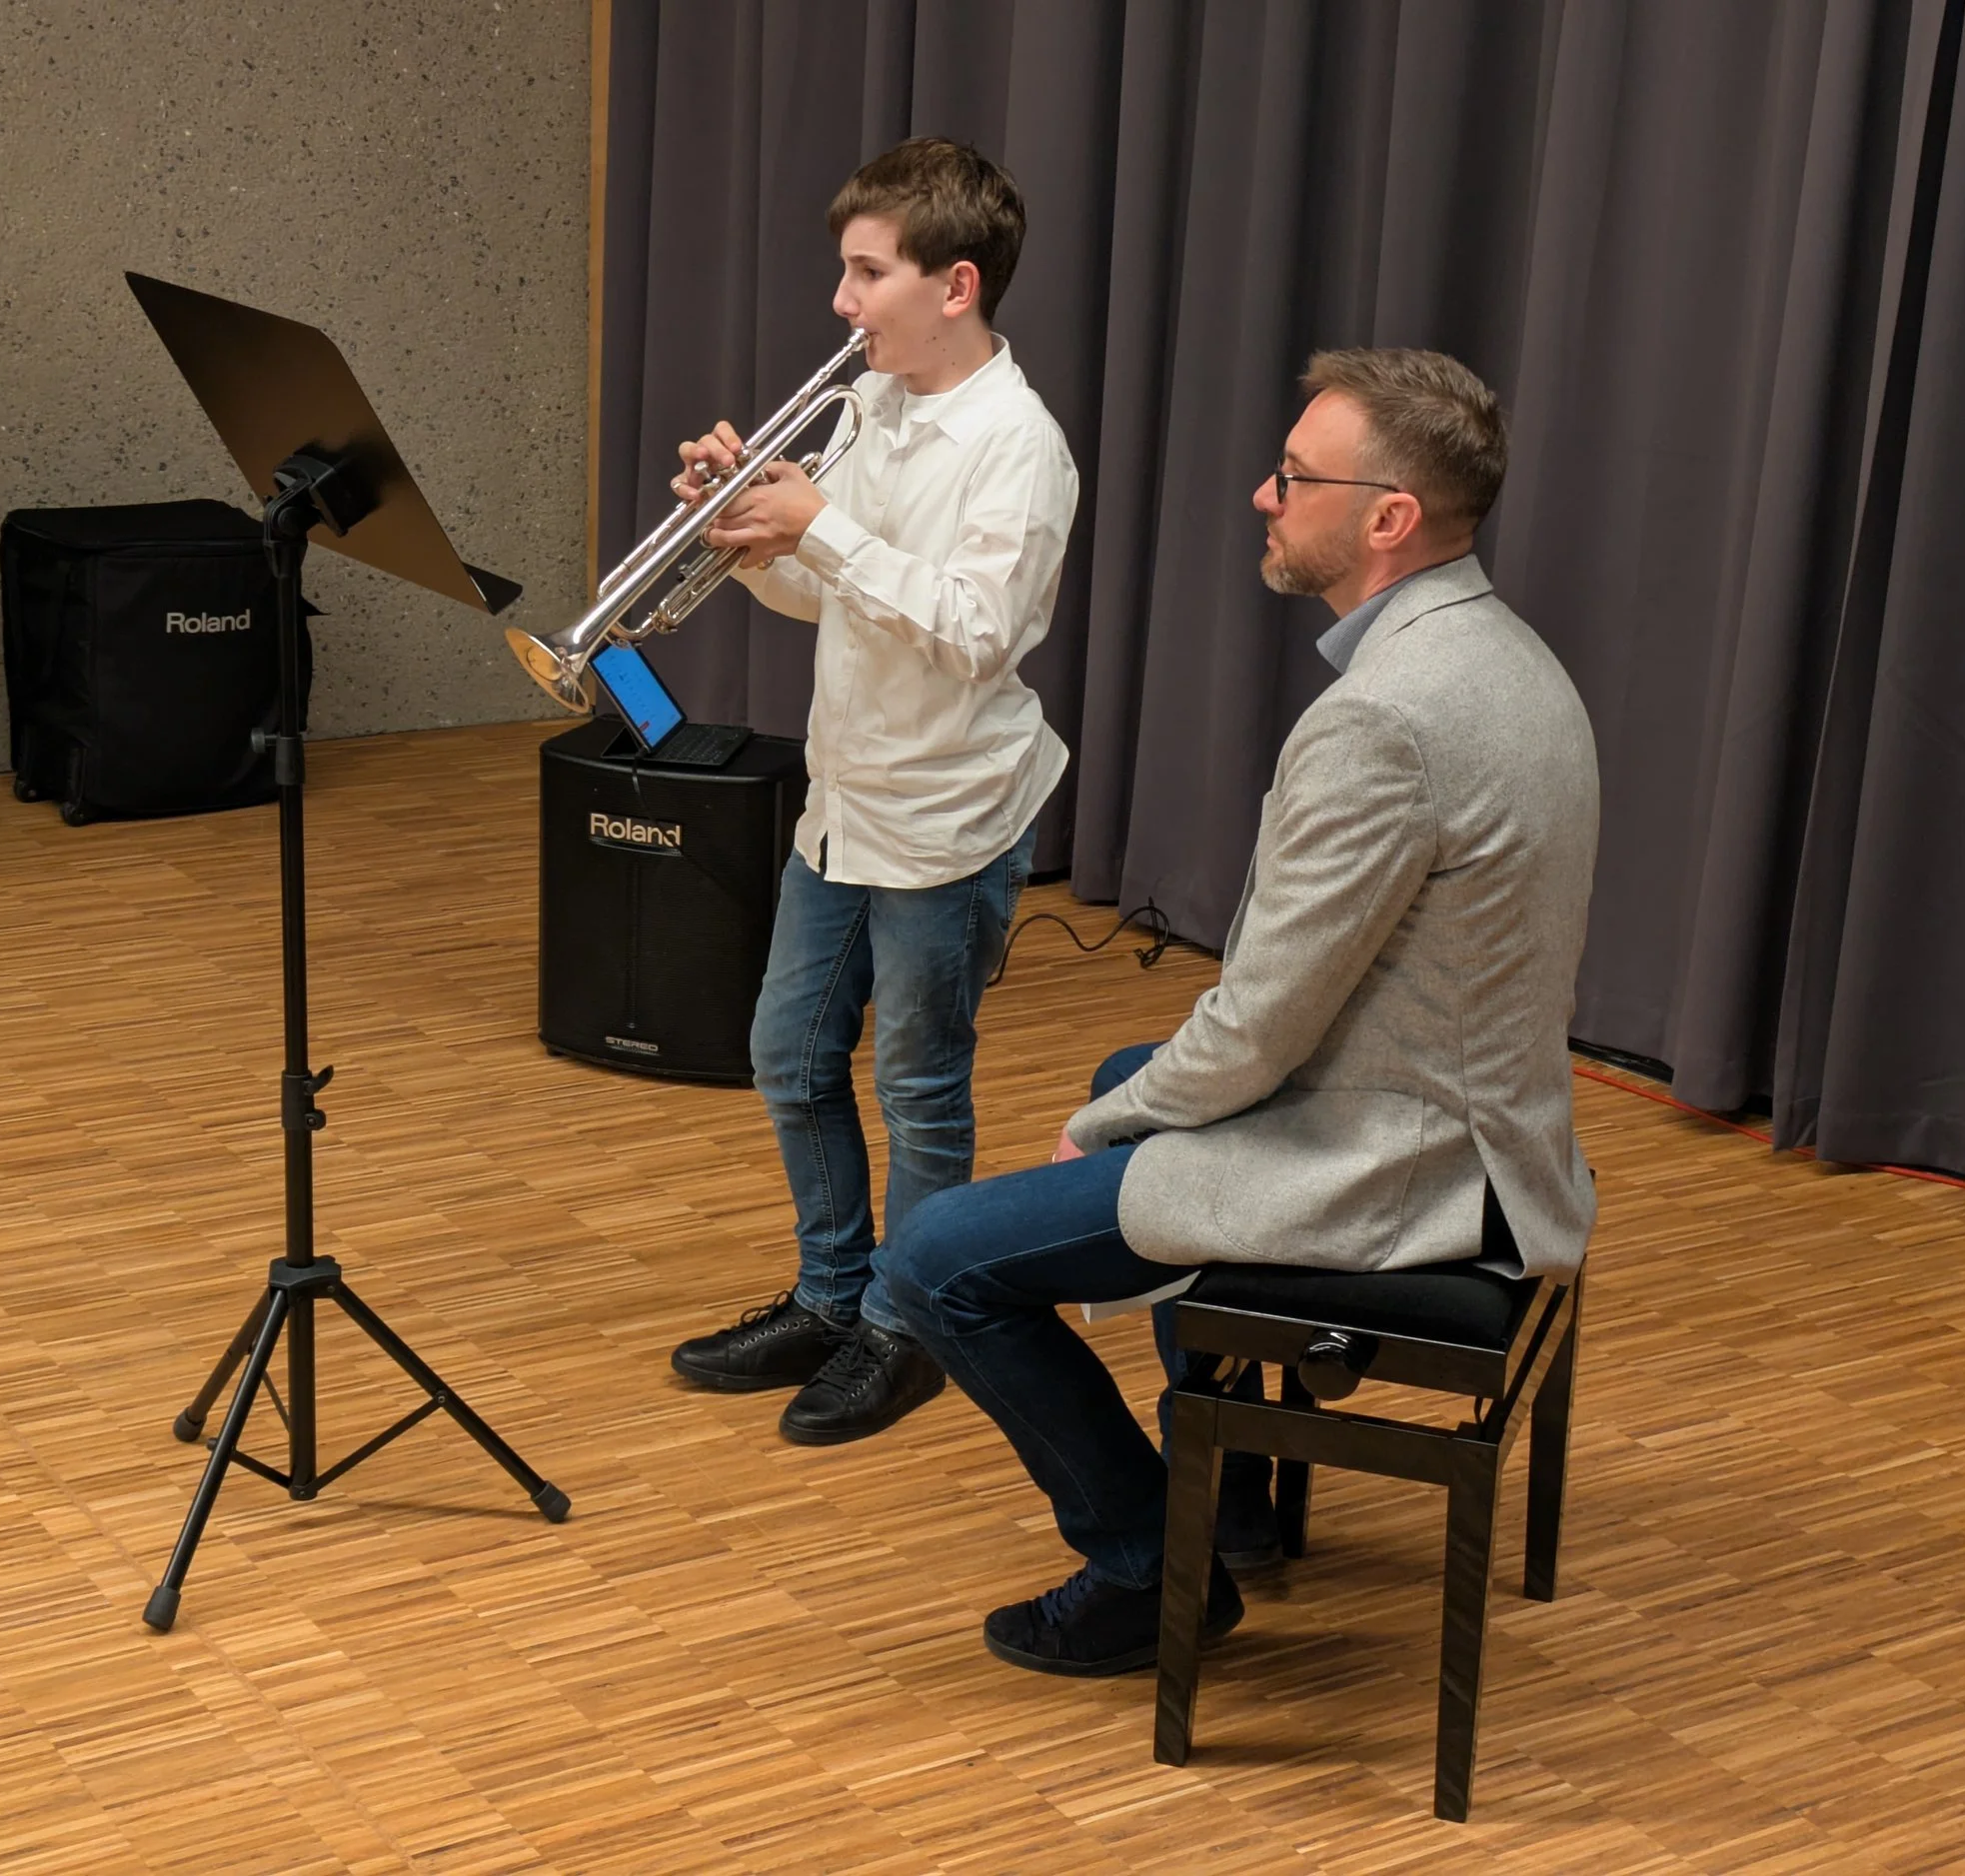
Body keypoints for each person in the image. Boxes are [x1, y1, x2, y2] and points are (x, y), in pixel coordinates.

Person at [876, 348, 1601, 1675]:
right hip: (1494, 1122)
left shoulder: (1386, 718)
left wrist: (1110, 1127)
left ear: (1389, 518)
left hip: (1411, 1163)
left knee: (932, 1260)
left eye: (1293, 476)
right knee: (1134, 1065)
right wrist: (1141, 1098)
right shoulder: (1506, 652)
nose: (1264, 496)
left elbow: (1262, 1025)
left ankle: (1151, 1568)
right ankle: (1237, 1497)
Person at [663, 138, 1080, 1446]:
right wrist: (751, 539)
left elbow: (977, 633)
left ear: (955, 286)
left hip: (949, 814)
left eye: (866, 273)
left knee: (919, 1089)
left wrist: (822, 529)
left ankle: (911, 1326)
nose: (841, 302)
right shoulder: (870, 408)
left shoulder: (1019, 447)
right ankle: (833, 1296)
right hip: (846, 796)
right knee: (787, 1059)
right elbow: (830, 593)